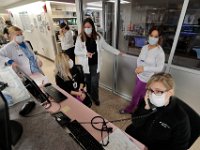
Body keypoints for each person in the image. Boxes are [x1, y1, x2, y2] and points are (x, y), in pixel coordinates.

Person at [125, 73, 191, 150]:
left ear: (170, 92)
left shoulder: (180, 118)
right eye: (151, 90)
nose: (153, 94)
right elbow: (136, 123)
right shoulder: (146, 102)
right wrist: (146, 108)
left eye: (158, 91)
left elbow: (180, 147)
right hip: (137, 141)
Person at [74, 18, 123, 106]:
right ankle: (88, 96)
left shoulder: (98, 36)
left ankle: (95, 98)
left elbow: (106, 46)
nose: (87, 29)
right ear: (83, 28)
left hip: (95, 65)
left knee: (94, 83)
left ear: (92, 26)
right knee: (88, 82)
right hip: (85, 65)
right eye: (85, 27)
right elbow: (76, 51)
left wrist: (118, 52)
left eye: (89, 26)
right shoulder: (80, 37)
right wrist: (85, 53)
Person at [120, 26, 165, 114]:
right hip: (139, 76)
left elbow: (160, 68)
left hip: (147, 79)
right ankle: (139, 110)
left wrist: (144, 68)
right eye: (151, 35)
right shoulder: (145, 47)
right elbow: (139, 59)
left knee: (136, 95)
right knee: (141, 96)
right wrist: (138, 68)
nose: (153, 38)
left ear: (159, 38)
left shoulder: (159, 52)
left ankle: (129, 109)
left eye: (155, 36)